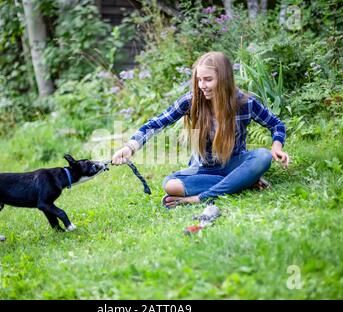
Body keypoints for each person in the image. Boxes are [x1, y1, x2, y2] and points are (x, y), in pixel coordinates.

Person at [112, 51, 290, 208]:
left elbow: (276, 125)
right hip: (202, 169)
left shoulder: (244, 103)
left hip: (234, 163)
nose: (201, 85)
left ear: (224, 79)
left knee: (263, 156)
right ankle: (244, 182)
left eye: (208, 79)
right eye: (199, 80)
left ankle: (199, 198)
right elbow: (155, 124)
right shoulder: (192, 101)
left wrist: (276, 147)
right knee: (170, 185)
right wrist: (130, 147)